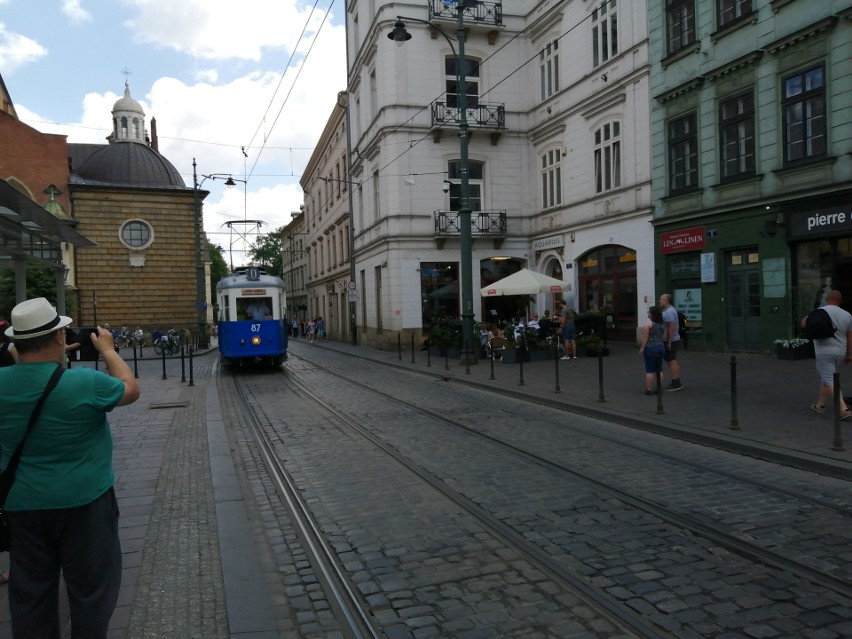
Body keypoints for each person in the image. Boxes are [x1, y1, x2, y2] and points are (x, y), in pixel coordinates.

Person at [0, 297, 140, 637]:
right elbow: (130, 389)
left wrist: (27, 357)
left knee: (31, 593)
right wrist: (107, 350)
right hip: (85, 502)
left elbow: (21, 368)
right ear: (61, 338)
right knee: (92, 591)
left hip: (22, 506)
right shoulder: (83, 384)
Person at [801, 289, 852, 419]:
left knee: (829, 378)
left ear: (827, 299)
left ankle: (843, 409)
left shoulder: (820, 312)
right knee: (827, 377)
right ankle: (820, 405)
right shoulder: (847, 315)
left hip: (823, 351)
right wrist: (849, 354)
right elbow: (850, 336)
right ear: (840, 301)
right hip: (840, 351)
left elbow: (804, 323)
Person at [639, 306, 666, 395]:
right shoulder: (661, 324)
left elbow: (645, 337)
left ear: (652, 314)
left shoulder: (648, 324)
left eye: (648, 312)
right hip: (660, 347)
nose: (647, 313)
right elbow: (663, 336)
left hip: (650, 348)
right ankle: (659, 388)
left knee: (649, 369)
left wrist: (642, 348)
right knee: (659, 369)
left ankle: (649, 389)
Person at [659, 293, 683, 391]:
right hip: (673, 339)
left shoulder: (669, 312)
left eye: (661, 299)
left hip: (671, 340)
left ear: (666, 301)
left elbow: (671, 327)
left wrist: (668, 342)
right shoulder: (670, 310)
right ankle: (676, 382)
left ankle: (676, 383)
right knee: (671, 360)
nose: (659, 301)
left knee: (671, 361)